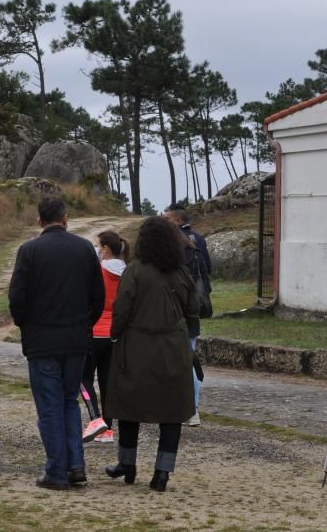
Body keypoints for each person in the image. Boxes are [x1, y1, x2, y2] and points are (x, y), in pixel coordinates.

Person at [8, 197, 105, 490]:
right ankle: (76, 465)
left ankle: (56, 471)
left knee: (49, 406)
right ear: (65, 218)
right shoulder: (85, 248)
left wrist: (27, 325)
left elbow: (17, 298)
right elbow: (97, 297)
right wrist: (85, 324)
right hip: (76, 339)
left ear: (39, 221)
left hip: (42, 341)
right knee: (68, 402)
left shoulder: (29, 251)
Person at [104, 216, 199, 493]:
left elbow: (122, 309)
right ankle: (162, 473)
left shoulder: (135, 270)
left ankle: (127, 464)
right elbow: (193, 310)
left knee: (129, 406)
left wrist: (114, 333)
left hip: (137, 346)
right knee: (172, 412)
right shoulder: (182, 272)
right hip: (174, 347)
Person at [164, 203, 210, 427]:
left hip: (173, 309)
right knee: (190, 357)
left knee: (173, 359)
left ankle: (178, 406)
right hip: (193, 309)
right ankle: (193, 408)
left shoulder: (171, 243)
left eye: (167, 219)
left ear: (177, 221)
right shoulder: (199, 239)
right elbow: (208, 269)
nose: (164, 222)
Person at [81, 230, 129, 444]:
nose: (97, 250)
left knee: (85, 379)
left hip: (95, 330)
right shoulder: (128, 272)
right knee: (108, 381)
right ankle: (108, 429)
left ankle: (96, 420)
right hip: (115, 332)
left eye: (99, 246)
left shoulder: (98, 271)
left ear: (106, 249)